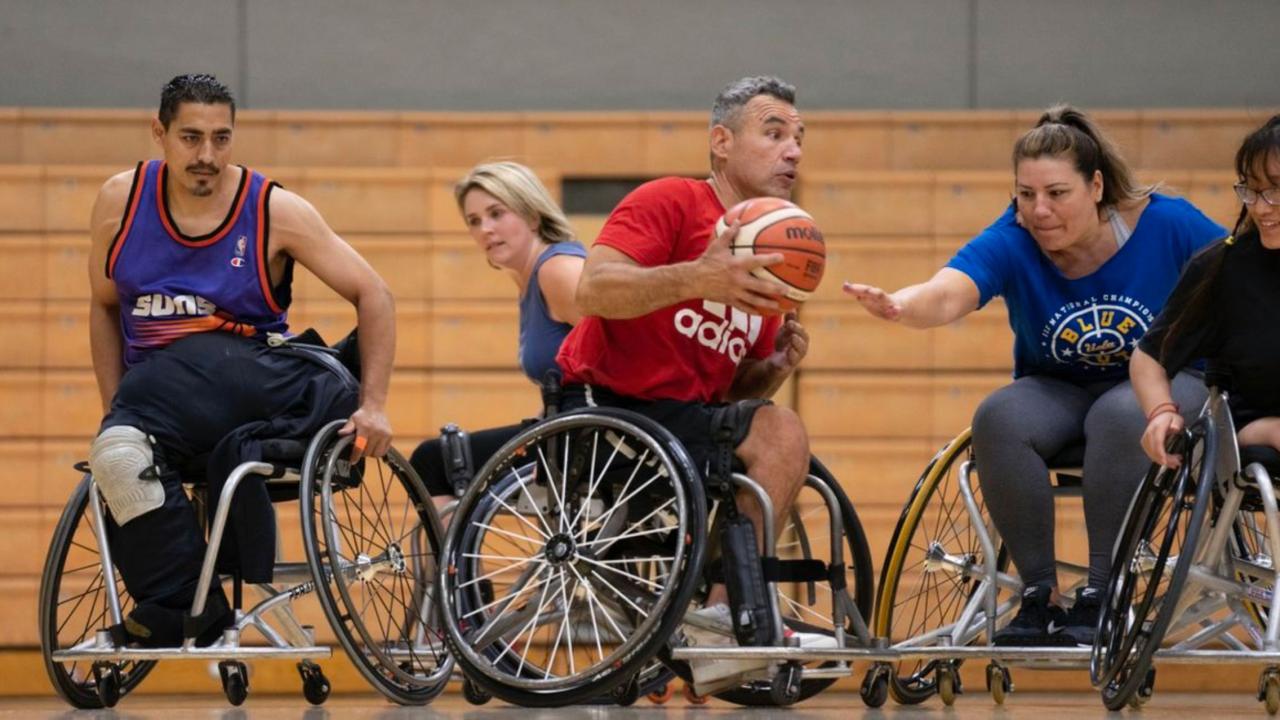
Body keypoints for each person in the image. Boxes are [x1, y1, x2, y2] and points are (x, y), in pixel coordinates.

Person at [844, 105, 1226, 646]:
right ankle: (1037, 595)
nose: (1039, 210)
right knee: (998, 417)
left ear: (1095, 187)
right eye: (1025, 195)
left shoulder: (1169, 224)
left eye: (1056, 193)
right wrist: (900, 306)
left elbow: (1242, 277)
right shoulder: (1014, 239)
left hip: (1166, 380)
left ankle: (1103, 594)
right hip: (1063, 389)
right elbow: (950, 290)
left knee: (1120, 413)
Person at [86, 74, 396, 646]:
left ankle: (181, 595)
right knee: (120, 455)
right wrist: (118, 414)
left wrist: (374, 404)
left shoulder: (275, 209)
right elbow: (104, 309)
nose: (207, 155)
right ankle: (185, 605)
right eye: (191, 137)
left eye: (221, 138)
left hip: (254, 376)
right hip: (167, 403)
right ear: (159, 132)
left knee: (188, 365)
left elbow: (374, 293)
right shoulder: (119, 201)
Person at [556, 75, 822, 690]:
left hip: (685, 420)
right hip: (609, 407)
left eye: (800, 137)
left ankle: (721, 607)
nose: (794, 150)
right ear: (722, 142)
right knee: (780, 433)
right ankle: (726, 615)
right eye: (775, 133)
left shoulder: (771, 246)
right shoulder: (670, 201)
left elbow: (735, 392)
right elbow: (592, 290)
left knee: (774, 433)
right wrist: (701, 278)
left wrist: (775, 365)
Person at [409, 162, 585, 506]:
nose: (485, 229)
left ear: (533, 216)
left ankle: (447, 562)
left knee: (433, 461)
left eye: (496, 213)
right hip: (564, 427)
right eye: (474, 221)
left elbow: (626, 347)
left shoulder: (557, 270)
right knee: (440, 458)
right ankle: (450, 558)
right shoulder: (531, 278)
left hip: (588, 436)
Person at [1134, 116, 1280, 468]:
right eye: (1251, 189)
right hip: (1252, 426)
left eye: (1274, 190)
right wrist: (1160, 412)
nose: (1260, 208)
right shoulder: (1222, 268)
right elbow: (1150, 356)